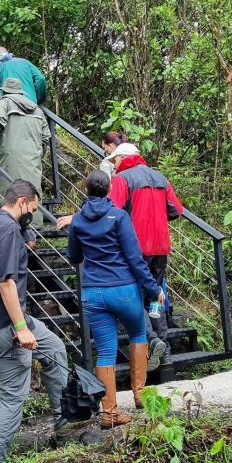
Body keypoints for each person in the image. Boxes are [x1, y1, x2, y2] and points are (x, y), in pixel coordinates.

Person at [0, 180, 81, 463]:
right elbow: (6, 282)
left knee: (54, 348)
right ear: (22, 202)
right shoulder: (9, 230)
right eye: (33, 209)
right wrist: (21, 327)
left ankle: (62, 424)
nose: (32, 215)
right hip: (10, 325)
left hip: (4, 318)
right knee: (13, 396)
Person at [57, 143, 183, 371]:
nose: (113, 165)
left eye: (114, 159)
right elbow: (175, 210)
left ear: (124, 157)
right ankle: (165, 352)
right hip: (161, 246)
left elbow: (107, 209)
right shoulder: (161, 178)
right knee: (155, 295)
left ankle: (153, 340)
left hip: (135, 245)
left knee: (137, 294)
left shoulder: (123, 179)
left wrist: (76, 218)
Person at [66, 170, 165, 424]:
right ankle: (140, 395)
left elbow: (74, 256)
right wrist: (154, 289)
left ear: (87, 190)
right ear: (110, 189)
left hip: (93, 293)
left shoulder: (77, 220)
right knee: (138, 334)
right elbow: (135, 258)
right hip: (124, 290)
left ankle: (109, 413)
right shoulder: (119, 216)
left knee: (105, 351)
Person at [0, 78, 51, 222]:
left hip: (6, 160)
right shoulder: (38, 110)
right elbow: (45, 138)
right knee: (29, 193)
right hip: (32, 163)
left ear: (4, 91)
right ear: (21, 92)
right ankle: (32, 226)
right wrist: (35, 155)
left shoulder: (4, 103)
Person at [0, 46, 47, 114]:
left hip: (8, 108)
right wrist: (37, 100)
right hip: (31, 106)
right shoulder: (25, 62)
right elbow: (41, 79)